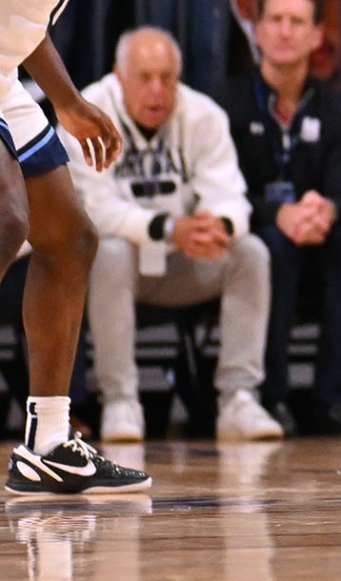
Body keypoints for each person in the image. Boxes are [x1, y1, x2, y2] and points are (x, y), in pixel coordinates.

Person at [0, 0, 170, 495]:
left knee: (70, 239)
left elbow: (19, 13)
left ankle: (48, 443)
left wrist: (65, 100)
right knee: (7, 219)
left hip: (3, 69)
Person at [74, 27, 286, 444]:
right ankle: (120, 400)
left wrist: (218, 226)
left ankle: (239, 398)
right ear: (118, 75)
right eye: (144, 77)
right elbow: (93, 209)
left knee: (250, 252)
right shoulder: (88, 112)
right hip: (119, 270)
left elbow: (232, 197)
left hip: (185, 262)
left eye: (166, 78)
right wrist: (168, 228)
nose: (157, 90)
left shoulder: (203, 115)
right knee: (109, 251)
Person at [216, 0, 341, 436]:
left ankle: (336, 397)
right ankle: (272, 397)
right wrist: (278, 215)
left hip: (319, 236)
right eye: (275, 20)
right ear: (257, 30)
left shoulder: (340, 111)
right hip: (260, 230)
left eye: (297, 22)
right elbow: (219, 189)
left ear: (317, 35)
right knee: (270, 247)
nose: (285, 31)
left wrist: (326, 210)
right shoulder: (225, 104)